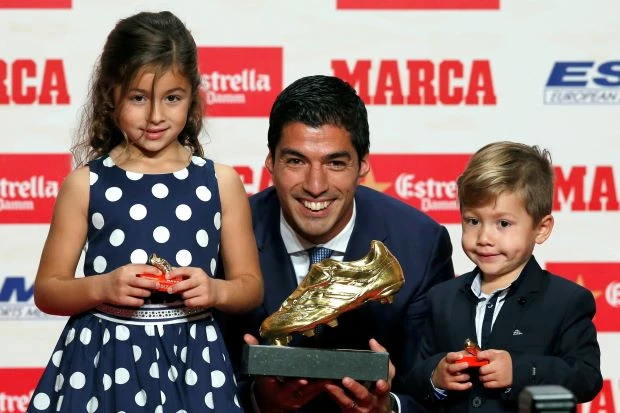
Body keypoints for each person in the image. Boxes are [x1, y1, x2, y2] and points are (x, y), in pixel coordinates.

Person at [27, 11, 262, 413]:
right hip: (102, 362)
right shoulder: (85, 184)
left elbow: (251, 287)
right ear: (110, 95)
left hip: (194, 362)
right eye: (138, 98)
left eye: (172, 98)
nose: (155, 116)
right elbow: (48, 290)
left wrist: (215, 290)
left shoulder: (221, 182)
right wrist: (103, 287)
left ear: (193, 96)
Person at [220, 75, 454, 413]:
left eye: (335, 163)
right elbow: (197, 380)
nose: (315, 185)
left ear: (363, 165)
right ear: (271, 162)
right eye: (296, 161)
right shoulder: (225, 235)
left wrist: (389, 408)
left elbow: (433, 387)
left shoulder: (419, 244)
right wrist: (257, 401)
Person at [405, 141, 603, 412]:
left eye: (503, 224)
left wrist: (520, 370)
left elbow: (586, 378)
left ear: (541, 228)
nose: (485, 238)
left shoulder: (567, 300)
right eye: (473, 221)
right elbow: (413, 376)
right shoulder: (441, 298)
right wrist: (436, 376)